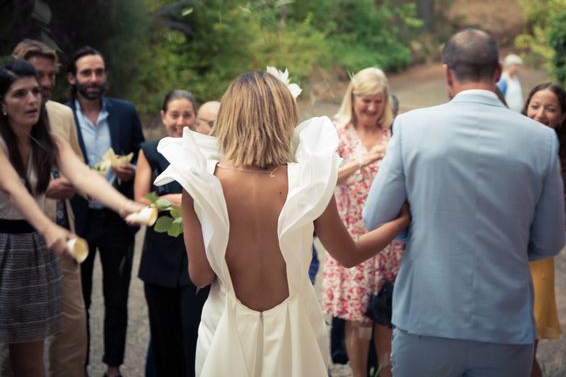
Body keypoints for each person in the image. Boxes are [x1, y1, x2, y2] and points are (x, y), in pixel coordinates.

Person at [153, 70, 409, 376]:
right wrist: (401, 222)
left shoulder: (200, 183)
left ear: (230, 118)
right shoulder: (308, 178)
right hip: (293, 332)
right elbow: (349, 254)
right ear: (284, 116)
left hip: (227, 332)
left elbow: (201, 276)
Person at [363, 28, 566, 377]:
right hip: (505, 321)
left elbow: (375, 219)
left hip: (427, 317)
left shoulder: (411, 127)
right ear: (498, 72)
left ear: (446, 73)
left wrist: (417, 233)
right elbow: (549, 241)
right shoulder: (541, 140)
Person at [0, 60, 143, 377]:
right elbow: (14, 189)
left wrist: (125, 206)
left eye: (36, 91)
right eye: (20, 94)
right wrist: (49, 227)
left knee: (30, 359)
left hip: (34, 249)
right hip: (5, 246)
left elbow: (84, 178)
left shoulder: (51, 141)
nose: (33, 100)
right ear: (2, 105)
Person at [66, 46, 145, 377]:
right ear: (72, 78)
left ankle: (113, 367)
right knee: (77, 302)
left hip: (117, 220)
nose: (94, 79)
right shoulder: (62, 116)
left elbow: (142, 156)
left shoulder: (125, 112)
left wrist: (132, 172)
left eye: (99, 72)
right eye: (86, 73)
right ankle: (79, 366)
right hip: (77, 219)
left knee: (117, 298)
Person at [11, 38, 87, 377]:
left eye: (50, 77)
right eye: (37, 76)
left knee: (72, 324)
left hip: (61, 236)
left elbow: (79, 168)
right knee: (18, 332)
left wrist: (77, 184)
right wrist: (43, 187)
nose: (43, 85)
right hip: (15, 239)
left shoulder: (62, 114)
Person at [321, 67, 403, 377]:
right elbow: (325, 179)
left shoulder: (393, 133)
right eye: (365, 100)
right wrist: (364, 160)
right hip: (349, 238)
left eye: (378, 101)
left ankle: (386, 372)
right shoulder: (336, 131)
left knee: (385, 314)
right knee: (356, 318)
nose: (371, 108)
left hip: (388, 239)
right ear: (352, 98)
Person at [134, 89, 207, 377]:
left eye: (187, 115)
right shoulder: (150, 150)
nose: (181, 121)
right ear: (164, 116)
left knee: (194, 333)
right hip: (159, 254)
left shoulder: (206, 149)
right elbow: (140, 197)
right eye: (174, 115)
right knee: (163, 335)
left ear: (195, 117)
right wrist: (173, 200)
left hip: (196, 254)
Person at [523, 83, 566, 377]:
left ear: (562, 117)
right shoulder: (507, 150)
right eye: (535, 105)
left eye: (550, 108)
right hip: (499, 250)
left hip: (538, 260)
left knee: (525, 348)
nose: (540, 114)